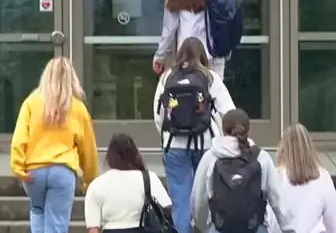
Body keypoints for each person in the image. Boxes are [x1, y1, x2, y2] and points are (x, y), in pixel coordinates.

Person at [153, 37, 236, 233]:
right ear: (203, 56)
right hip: (205, 144)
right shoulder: (210, 77)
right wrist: (222, 139)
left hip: (174, 145)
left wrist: (167, 135)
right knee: (208, 197)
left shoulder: (167, 77)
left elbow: (158, 115)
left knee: (180, 201)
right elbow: (229, 112)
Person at [10, 56, 100, 233]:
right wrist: (90, 179)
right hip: (62, 171)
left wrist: (18, 166)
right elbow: (88, 148)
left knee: (37, 211)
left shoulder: (31, 102)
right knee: (57, 222)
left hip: (34, 171)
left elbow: (19, 138)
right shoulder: (77, 108)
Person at [190, 109, 291, 233]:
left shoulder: (211, 157)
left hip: (219, 228)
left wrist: (200, 225)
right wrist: (289, 229)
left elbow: (198, 199)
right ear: (248, 130)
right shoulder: (261, 157)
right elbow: (277, 199)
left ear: (223, 130)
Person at [153, 0, 226, 78]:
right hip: (213, 56)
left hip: (186, 56)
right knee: (214, 89)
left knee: (188, 89)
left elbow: (169, 29)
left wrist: (160, 56)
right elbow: (224, 25)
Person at [84, 133, 172, 233]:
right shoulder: (149, 178)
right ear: (135, 154)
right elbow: (167, 208)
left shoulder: (97, 184)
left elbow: (93, 228)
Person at [266, 123, 336, 233]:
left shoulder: (275, 177)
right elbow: (332, 222)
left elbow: (270, 222)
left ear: (283, 148)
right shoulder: (323, 177)